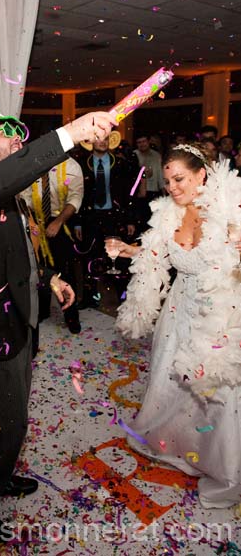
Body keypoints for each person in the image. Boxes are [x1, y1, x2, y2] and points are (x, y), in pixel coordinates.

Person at [0, 102, 114, 542]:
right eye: (8, 135)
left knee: (14, 418)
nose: (18, 142)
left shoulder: (6, 193)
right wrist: (71, 132)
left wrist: (52, 280)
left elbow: (11, 256)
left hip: (17, 324)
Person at [114, 143, 241, 509]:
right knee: (169, 377)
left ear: (202, 174)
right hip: (177, 311)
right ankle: (175, 438)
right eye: (168, 180)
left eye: (180, 178)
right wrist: (128, 249)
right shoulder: (170, 213)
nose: (172, 187)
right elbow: (160, 253)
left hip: (217, 314)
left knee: (215, 389)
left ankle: (222, 463)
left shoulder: (229, 210)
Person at [21, 156, 84, 334]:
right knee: (39, 269)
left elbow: (75, 198)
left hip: (62, 221)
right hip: (35, 222)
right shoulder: (30, 165)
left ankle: (71, 316)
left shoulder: (72, 165)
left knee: (65, 270)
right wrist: (30, 223)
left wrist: (58, 222)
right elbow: (23, 197)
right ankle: (41, 311)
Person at [75, 136, 138, 307]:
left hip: (114, 217)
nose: (103, 142)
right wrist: (78, 223)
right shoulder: (81, 165)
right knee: (90, 257)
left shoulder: (120, 163)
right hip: (91, 218)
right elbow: (77, 194)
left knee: (118, 258)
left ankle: (123, 296)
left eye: (106, 139)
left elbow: (128, 194)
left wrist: (130, 220)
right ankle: (89, 297)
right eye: (99, 139)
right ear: (90, 142)